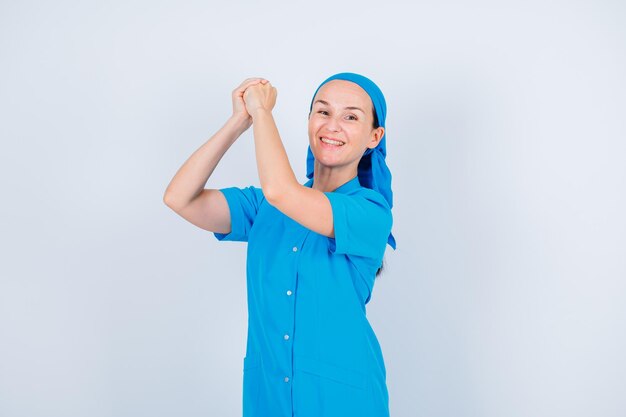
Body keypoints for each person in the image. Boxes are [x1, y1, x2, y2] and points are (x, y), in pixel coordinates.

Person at [163, 72, 397, 417]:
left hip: (340, 401)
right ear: (309, 121)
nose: (333, 125)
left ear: (374, 137)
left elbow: (282, 191)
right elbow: (179, 197)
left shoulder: (370, 212)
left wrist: (263, 114)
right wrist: (238, 121)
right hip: (269, 398)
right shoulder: (263, 209)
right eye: (323, 112)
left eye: (350, 116)